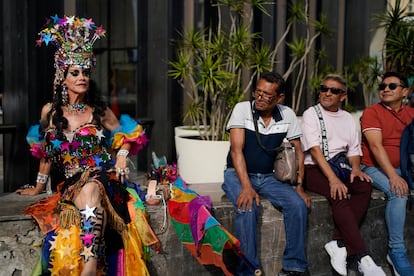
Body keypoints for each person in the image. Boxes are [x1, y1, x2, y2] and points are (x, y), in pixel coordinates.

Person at [15, 15, 158, 275]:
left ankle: (90, 264)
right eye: (75, 72)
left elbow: (131, 134)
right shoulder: (50, 111)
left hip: (104, 179)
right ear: (62, 76)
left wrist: (123, 154)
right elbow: (46, 153)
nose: (82, 77)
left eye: (86, 72)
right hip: (71, 184)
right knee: (85, 190)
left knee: (92, 187)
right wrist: (38, 186)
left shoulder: (99, 111)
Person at [222, 72, 310, 276]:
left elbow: (298, 153)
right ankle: (248, 270)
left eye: (266, 95)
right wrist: (246, 187)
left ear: (279, 98)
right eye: (257, 92)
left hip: (269, 177)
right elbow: (236, 151)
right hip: (237, 174)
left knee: (297, 204)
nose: (259, 98)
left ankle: (293, 267)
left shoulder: (287, 114)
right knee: (248, 206)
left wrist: (299, 186)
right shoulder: (242, 109)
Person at [301, 74, 385, 276]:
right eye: (324, 88)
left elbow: (354, 150)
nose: (327, 93)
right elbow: (314, 151)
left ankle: (338, 242)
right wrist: (333, 179)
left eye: (334, 90)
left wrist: (356, 169)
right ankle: (360, 256)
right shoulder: (311, 114)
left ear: (343, 96)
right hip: (314, 168)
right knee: (337, 192)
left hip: (341, 167)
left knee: (364, 186)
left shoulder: (348, 118)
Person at [360, 71, 414, 276]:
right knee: (398, 192)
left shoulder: (411, 114)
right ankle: (397, 251)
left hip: (404, 168)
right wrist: (393, 176)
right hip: (372, 167)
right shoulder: (372, 112)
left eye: (392, 86)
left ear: (405, 91)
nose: (385, 90)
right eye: (382, 87)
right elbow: (375, 146)